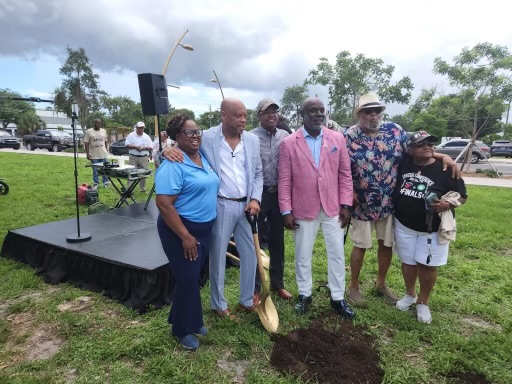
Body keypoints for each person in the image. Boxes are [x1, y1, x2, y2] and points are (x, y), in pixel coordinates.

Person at [344, 94, 459, 306]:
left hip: (389, 202)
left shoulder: (394, 131)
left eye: (376, 110)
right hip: (361, 203)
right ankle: (354, 286)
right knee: (360, 245)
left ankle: (380, 283)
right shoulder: (348, 136)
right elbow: (339, 166)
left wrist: (444, 157)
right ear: (359, 114)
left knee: (385, 244)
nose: (373, 115)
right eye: (368, 111)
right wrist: (348, 192)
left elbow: (418, 148)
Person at [163, 98, 263, 319]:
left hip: (247, 206)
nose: (243, 120)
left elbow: (257, 173)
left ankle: (246, 300)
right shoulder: (206, 137)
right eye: (238, 115)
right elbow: (178, 143)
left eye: (245, 115)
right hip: (221, 204)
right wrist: (164, 150)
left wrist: (256, 199)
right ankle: (219, 305)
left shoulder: (253, 141)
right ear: (223, 115)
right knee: (217, 256)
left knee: (250, 254)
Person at [278, 97, 355, 319]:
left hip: (333, 207)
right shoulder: (289, 143)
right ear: (302, 114)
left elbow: (344, 174)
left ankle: (338, 298)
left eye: (322, 110)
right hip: (302, 208)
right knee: (302, 255)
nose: (318, 114)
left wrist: (346, 204)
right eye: (313, 110)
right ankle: (305, 294)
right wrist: (286, 211)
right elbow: (284, 180)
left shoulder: (337, 139)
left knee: (337, 253)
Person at [155, 115, 219, 350]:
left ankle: (190, 319)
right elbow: (163, 204)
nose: (195, 136)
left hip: (203, 229)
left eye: (197, 131)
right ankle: (182, 330)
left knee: (191, 279)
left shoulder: (202, 156)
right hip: (181, 231)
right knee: (187, 279)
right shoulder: (173, 165)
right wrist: (185, 236)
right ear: (177, 137)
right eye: (189, 133)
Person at [393, 131, 467, 324]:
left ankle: (423, 302)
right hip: (404, 224)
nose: (427, 146)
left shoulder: (445, 169)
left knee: (428, 265)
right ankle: (410, 294)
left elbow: (462, 195)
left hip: (432, 228)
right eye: (421, 144)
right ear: (410, 150)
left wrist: (449, 204)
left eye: (431, 143)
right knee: (408, 262)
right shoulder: (404, 164)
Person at [252, 98, 292, 301]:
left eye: (275, 111)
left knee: (278, 240)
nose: (272, 115)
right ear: (259, 115)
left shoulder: (285, 136)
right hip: (258, 195)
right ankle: (256, 289)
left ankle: (278, 285)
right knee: (255, 240)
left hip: (280, 195)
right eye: (267, 112)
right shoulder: (250, 137)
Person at [125, 121, 153, 192]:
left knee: (143, 173)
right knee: (131, 172)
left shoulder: (147, 137)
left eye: (142, 128)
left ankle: (143, 188)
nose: (141, 129)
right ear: (136, 128)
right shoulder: (131, 135)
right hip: (133, 157)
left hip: (143, 157)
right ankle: (129, 188)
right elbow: (127, 145)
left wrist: (144, 148)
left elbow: (151, 147)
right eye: (140, 128)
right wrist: (135, 147)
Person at [84, 118, 109, 188]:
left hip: (103, 152)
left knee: (104, 168)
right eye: (96, 123)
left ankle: (106, 182)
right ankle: (96, 183)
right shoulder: (89, 131)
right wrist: (87, 153)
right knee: (95, 169)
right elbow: (86, 142)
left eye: (98, 123)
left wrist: (106, 149)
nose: (97, 124)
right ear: (94, 123)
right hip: (94, 153)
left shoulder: (104, 131)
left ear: (101, 124)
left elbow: (106, 140)